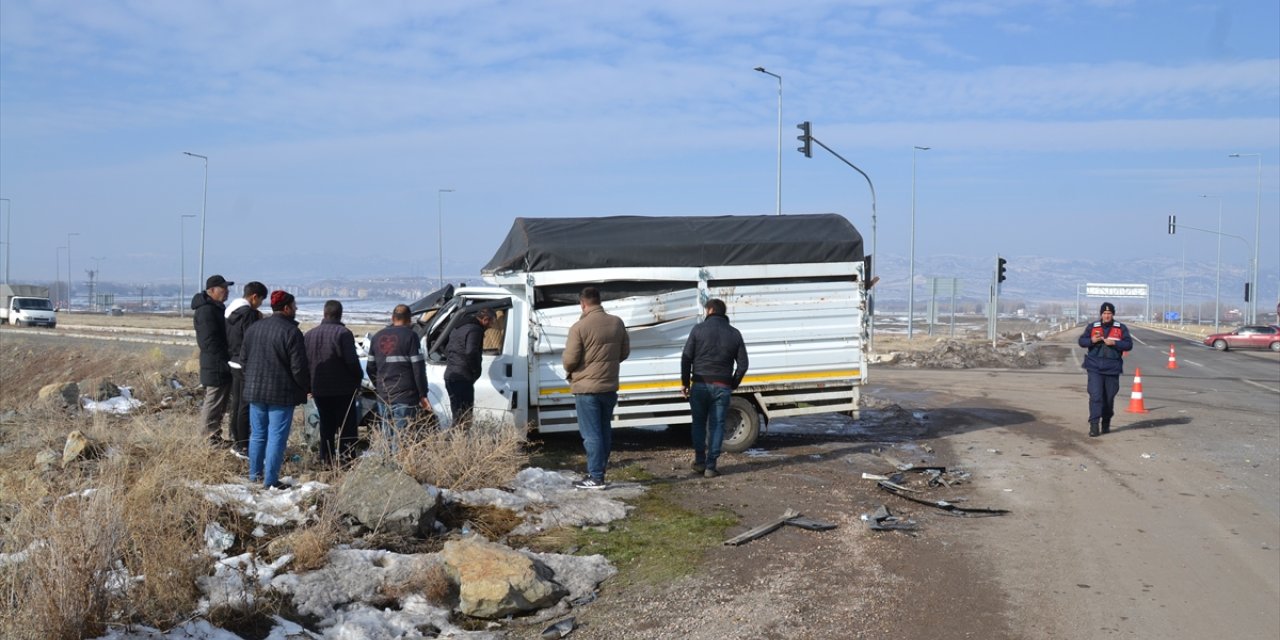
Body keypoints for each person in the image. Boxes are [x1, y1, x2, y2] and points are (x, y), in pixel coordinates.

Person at [562, 287, 630, 490]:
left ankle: (596, 476)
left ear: (583, 304)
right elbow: (624, 352)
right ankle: (599, 470)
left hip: (587, 389)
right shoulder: (617, 322)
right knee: (604, 430)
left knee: (591, 434)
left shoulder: (579, 327)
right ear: (599, 301)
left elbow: (570, 360)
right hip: (609, 386)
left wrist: (576, 369)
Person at [242, 290, 310, 489]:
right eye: (295, 306)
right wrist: (305, 386)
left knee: (257, 435)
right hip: (281, 393)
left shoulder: (254, 328)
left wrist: (252, 379)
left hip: (255, 391)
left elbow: (244, 359)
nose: (296, 309)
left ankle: (254, 476)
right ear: (287, 308)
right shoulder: (291, 332)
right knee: (276, 437)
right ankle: (270, 480)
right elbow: (298, 368)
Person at [680, 298, 749, 478]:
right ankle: (711, 465)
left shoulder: (698, 330)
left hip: (700, 385)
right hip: (722, 386)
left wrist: (685, 383)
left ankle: (700, 461)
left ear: (710, 310)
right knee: (717, 425)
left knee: (699, 423)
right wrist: (732, 383)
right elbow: (743, 365)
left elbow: (686, 358)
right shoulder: (734, 334)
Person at [304, 300, 363, 465]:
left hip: (319, 389)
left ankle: (326, 461)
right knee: (347, 427)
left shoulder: (309, 335)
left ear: (324, 313)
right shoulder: (343, 333)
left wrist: (308, 386)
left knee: (326, 426)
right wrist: (358, 377)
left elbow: (305, 364)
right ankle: (346, 462)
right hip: (343, 389)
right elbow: (351, 361)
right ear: (340, 314)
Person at [366, 304, 431, 451]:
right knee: (401, 438)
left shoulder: (377, 336)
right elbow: (418, 368)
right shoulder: (411, 336)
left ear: (392, 318)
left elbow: (370, 367)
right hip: (405, 395)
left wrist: (380, 385)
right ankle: (398, 470)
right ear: (409, 320)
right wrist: (423, 394)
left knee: (386, 437)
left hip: (384, 395)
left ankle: (387, 469)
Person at [225, 281, 267, 457]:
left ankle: (236, 439)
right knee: (245, 405)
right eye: (261, 300)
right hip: (245, 363)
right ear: (254, 297)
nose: (261, 304)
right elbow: (252, 338)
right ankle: (243, 444)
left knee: (236, 404)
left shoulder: (230, 311)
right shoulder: (248, 314)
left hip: (233, 360)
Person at [1077, 301, 1133, 437]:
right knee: (1096, 396)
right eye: (1104, 313)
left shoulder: (1121, 328)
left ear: (1113, 314)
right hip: (1094, 367)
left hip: (1112, 368)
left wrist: (1115, 343)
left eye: (1109, 313)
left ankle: (1106, 421)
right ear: (1101, 314)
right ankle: (1094, 425)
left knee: (1108, 398)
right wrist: (1092, 340)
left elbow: (1128, 344)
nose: (1106, 316)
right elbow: (1081, 342)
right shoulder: (1092, 327)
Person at [191, 274, 234, 447]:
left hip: (219, 362)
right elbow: (209, 341)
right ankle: (208, 438)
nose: (227, 292)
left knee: (220, 402)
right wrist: (224, 361)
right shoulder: (206, 311)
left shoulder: (215, 308)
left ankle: (214, 436)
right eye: (223, 289)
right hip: (215, 364)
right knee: (214, 401)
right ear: (211, 291)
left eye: (227, 288)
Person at [444, 307, 495, 424]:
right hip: (463, 378)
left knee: (457, 416)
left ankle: (456, 439)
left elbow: (447, 349)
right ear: (485, 319)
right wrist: (475, 370)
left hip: (451, 375)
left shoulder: (459, 327)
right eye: (491, 322)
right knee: (465, 418)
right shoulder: (476, 329)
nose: (491, 326)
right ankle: (460, 440)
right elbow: (471, 352)